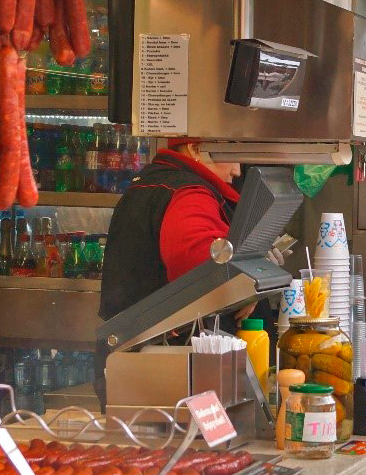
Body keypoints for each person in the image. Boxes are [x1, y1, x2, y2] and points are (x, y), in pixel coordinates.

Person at [98, 139, 273, 409]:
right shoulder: (191, 194)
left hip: (134, 366)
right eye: (231, 154)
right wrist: (243, 288)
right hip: (169, 374)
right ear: (195, 149)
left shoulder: (152, 183)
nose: (238, 171)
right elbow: (201, 271)